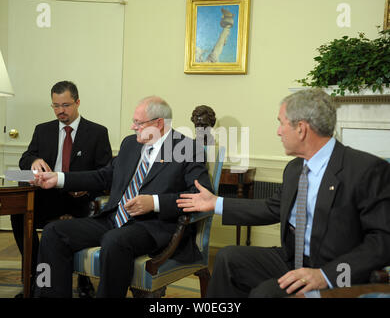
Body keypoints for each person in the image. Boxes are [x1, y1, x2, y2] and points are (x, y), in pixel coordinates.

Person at [177, 88, 390, 298]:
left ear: (301, 129)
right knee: (228, 258)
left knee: (265, 294)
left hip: (334, 271)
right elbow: (272, 207)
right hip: (292, 259)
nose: (278, 131)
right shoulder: (295, 168)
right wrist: (216, 203)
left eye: (281, 123)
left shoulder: (366, 170)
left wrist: (325, 275)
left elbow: (383, 241)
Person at [31, 95, 212, 298]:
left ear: (159, 123)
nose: (133, 127)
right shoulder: (130, 144)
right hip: (114, 218)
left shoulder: (188, 148)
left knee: (115, 241)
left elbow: (200, 195)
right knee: (53, 232)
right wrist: (59, 179)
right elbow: (103, 177)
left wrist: (153, 202)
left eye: (138, 122)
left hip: (153, 226)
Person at [12, 80, 112, 297]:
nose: (60, 111)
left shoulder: (97, 133)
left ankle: (84, 280)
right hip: (47, 197)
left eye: (65, 105)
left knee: (87, 212)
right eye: (55, 106)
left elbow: (106, 174)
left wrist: (86, 189)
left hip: (80, 199)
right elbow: (24, 159)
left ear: (77, 103)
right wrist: (34, 161)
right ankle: (37, 278)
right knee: (19, 216)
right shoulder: (43, 130)